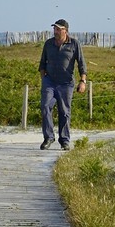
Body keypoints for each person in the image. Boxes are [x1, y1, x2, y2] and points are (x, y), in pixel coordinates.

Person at [37, 18, 87, 149]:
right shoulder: (48, 44)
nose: (56, 31)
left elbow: (81, 64)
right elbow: (42, 63)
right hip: (49, 82)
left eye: (59, 29)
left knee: (64, 111)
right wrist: (43, 80)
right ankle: (48, 138)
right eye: (55, 29)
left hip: (66, 83)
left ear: (66, 30)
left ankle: (64, 140)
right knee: (45, 106)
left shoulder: (74, 44)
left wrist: (83, 81)